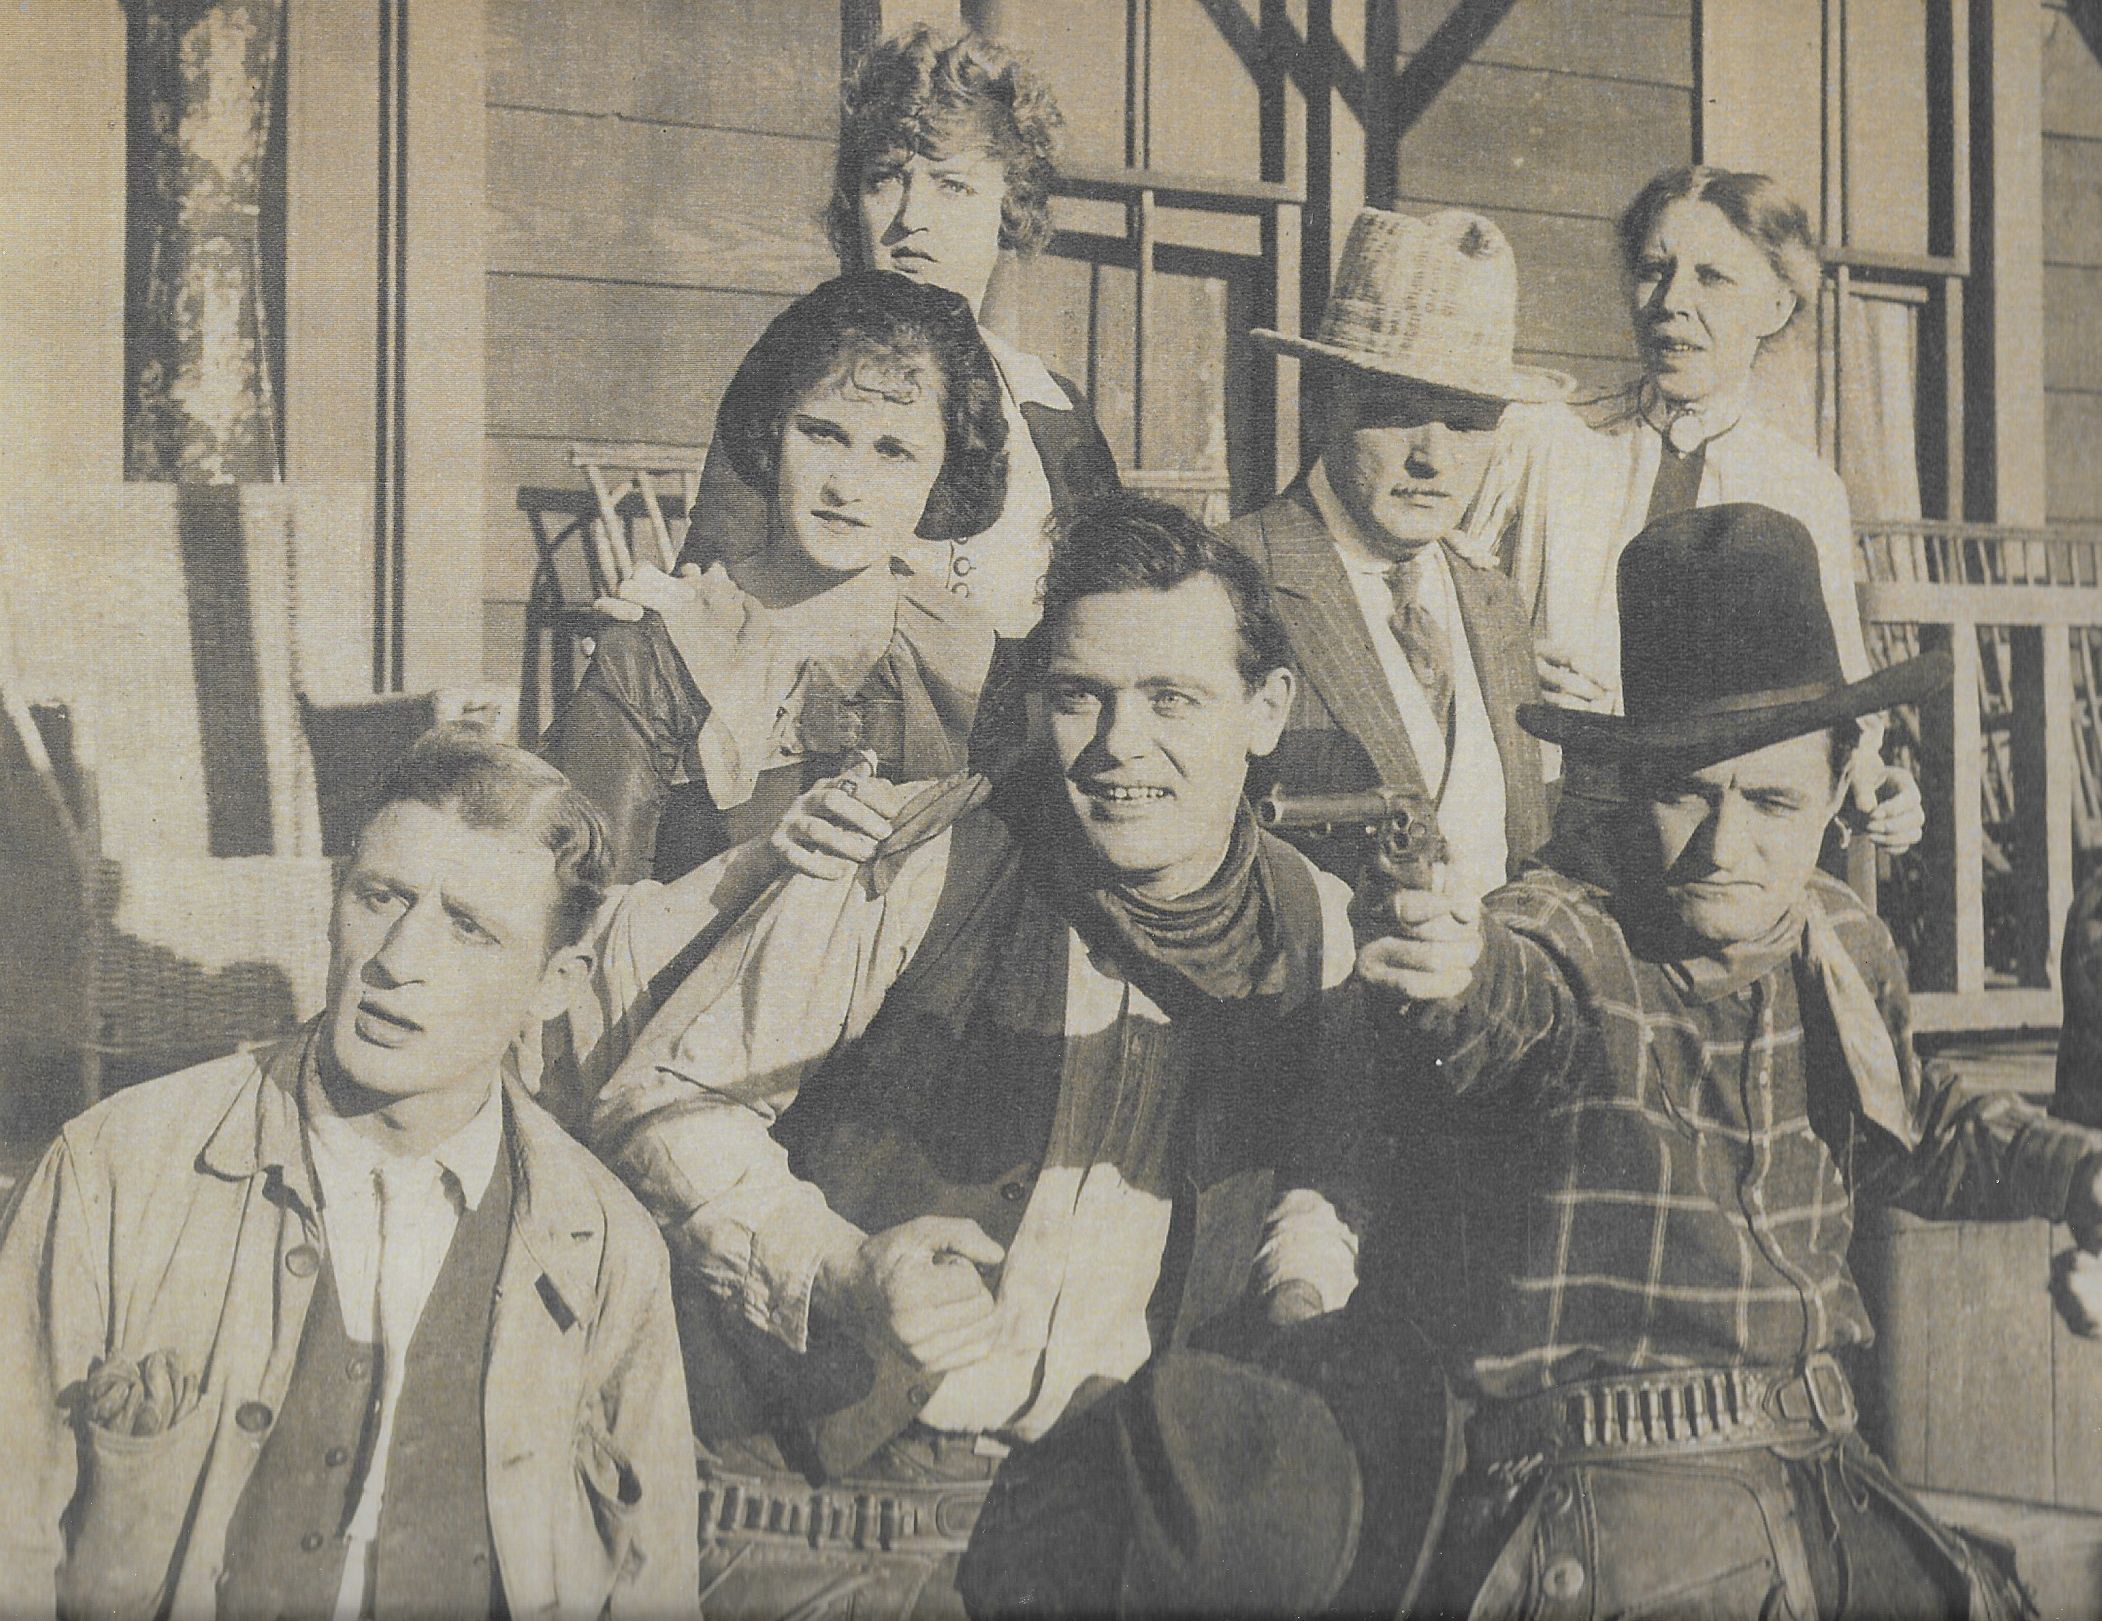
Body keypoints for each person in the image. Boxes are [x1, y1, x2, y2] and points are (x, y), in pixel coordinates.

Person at [580, 494, 1367, 1619]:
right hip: (827, 1514)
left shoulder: (1312, 923)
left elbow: (1322, 1169)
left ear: (1265, 709)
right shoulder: (912, 860)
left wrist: (1300, 1288)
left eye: (1170, 700)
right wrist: (840, 1270)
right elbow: (656, 1103)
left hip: (1120, 1528)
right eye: (1078, 697)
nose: (1116, 746)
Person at [1355, 501, 2102, 1619]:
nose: (1724, 847)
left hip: (1825, 1477)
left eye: (1771, 801)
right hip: (1607, 1516)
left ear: (1846, 776)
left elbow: (1916, 1128)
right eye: (1684, 795)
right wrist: (1454, 968)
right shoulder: (1561, 933)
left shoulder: (1841, 937)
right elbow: (1503, 1011)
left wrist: (2075, 1172)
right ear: (1625, 777)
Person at [0, 729, 698, 1619]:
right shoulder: (113, 1173)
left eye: (470, 929)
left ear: (554, 982)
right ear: (338, 894)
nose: (398, 961)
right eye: (383, 896)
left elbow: (653, 1583)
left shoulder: (603, 1247)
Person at [1477, 164, 1923, 851]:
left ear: (1777, 305)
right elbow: (1431, 612)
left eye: (1712, 277)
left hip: (1709, 843)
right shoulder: (1544, 437)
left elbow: (1836, 697)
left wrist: (1871, 777)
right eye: (1655, 269)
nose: (1672, 301)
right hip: (1541, 822)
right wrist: (1507, 663)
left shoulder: (1802, 488)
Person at [542, 271, 1009, 883]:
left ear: (944, 470)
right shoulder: (662, 643)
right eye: (823, 435)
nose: (848, 487)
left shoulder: (971, 653)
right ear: (772, 433)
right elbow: (587, 901)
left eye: (893, 451)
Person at [666, 25, 1120, 638]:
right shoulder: (794, 377)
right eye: (885, 179)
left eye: (952, 186)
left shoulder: (1050, 404)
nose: (912, 219)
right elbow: (706, 602)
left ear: (1008, 209)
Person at [1224, 204, 1559, 902]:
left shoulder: (1493, 600)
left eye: (1467, 422)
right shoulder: (1230, 576)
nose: (1433, 457)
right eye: (1399, 411)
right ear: (1321, 406)